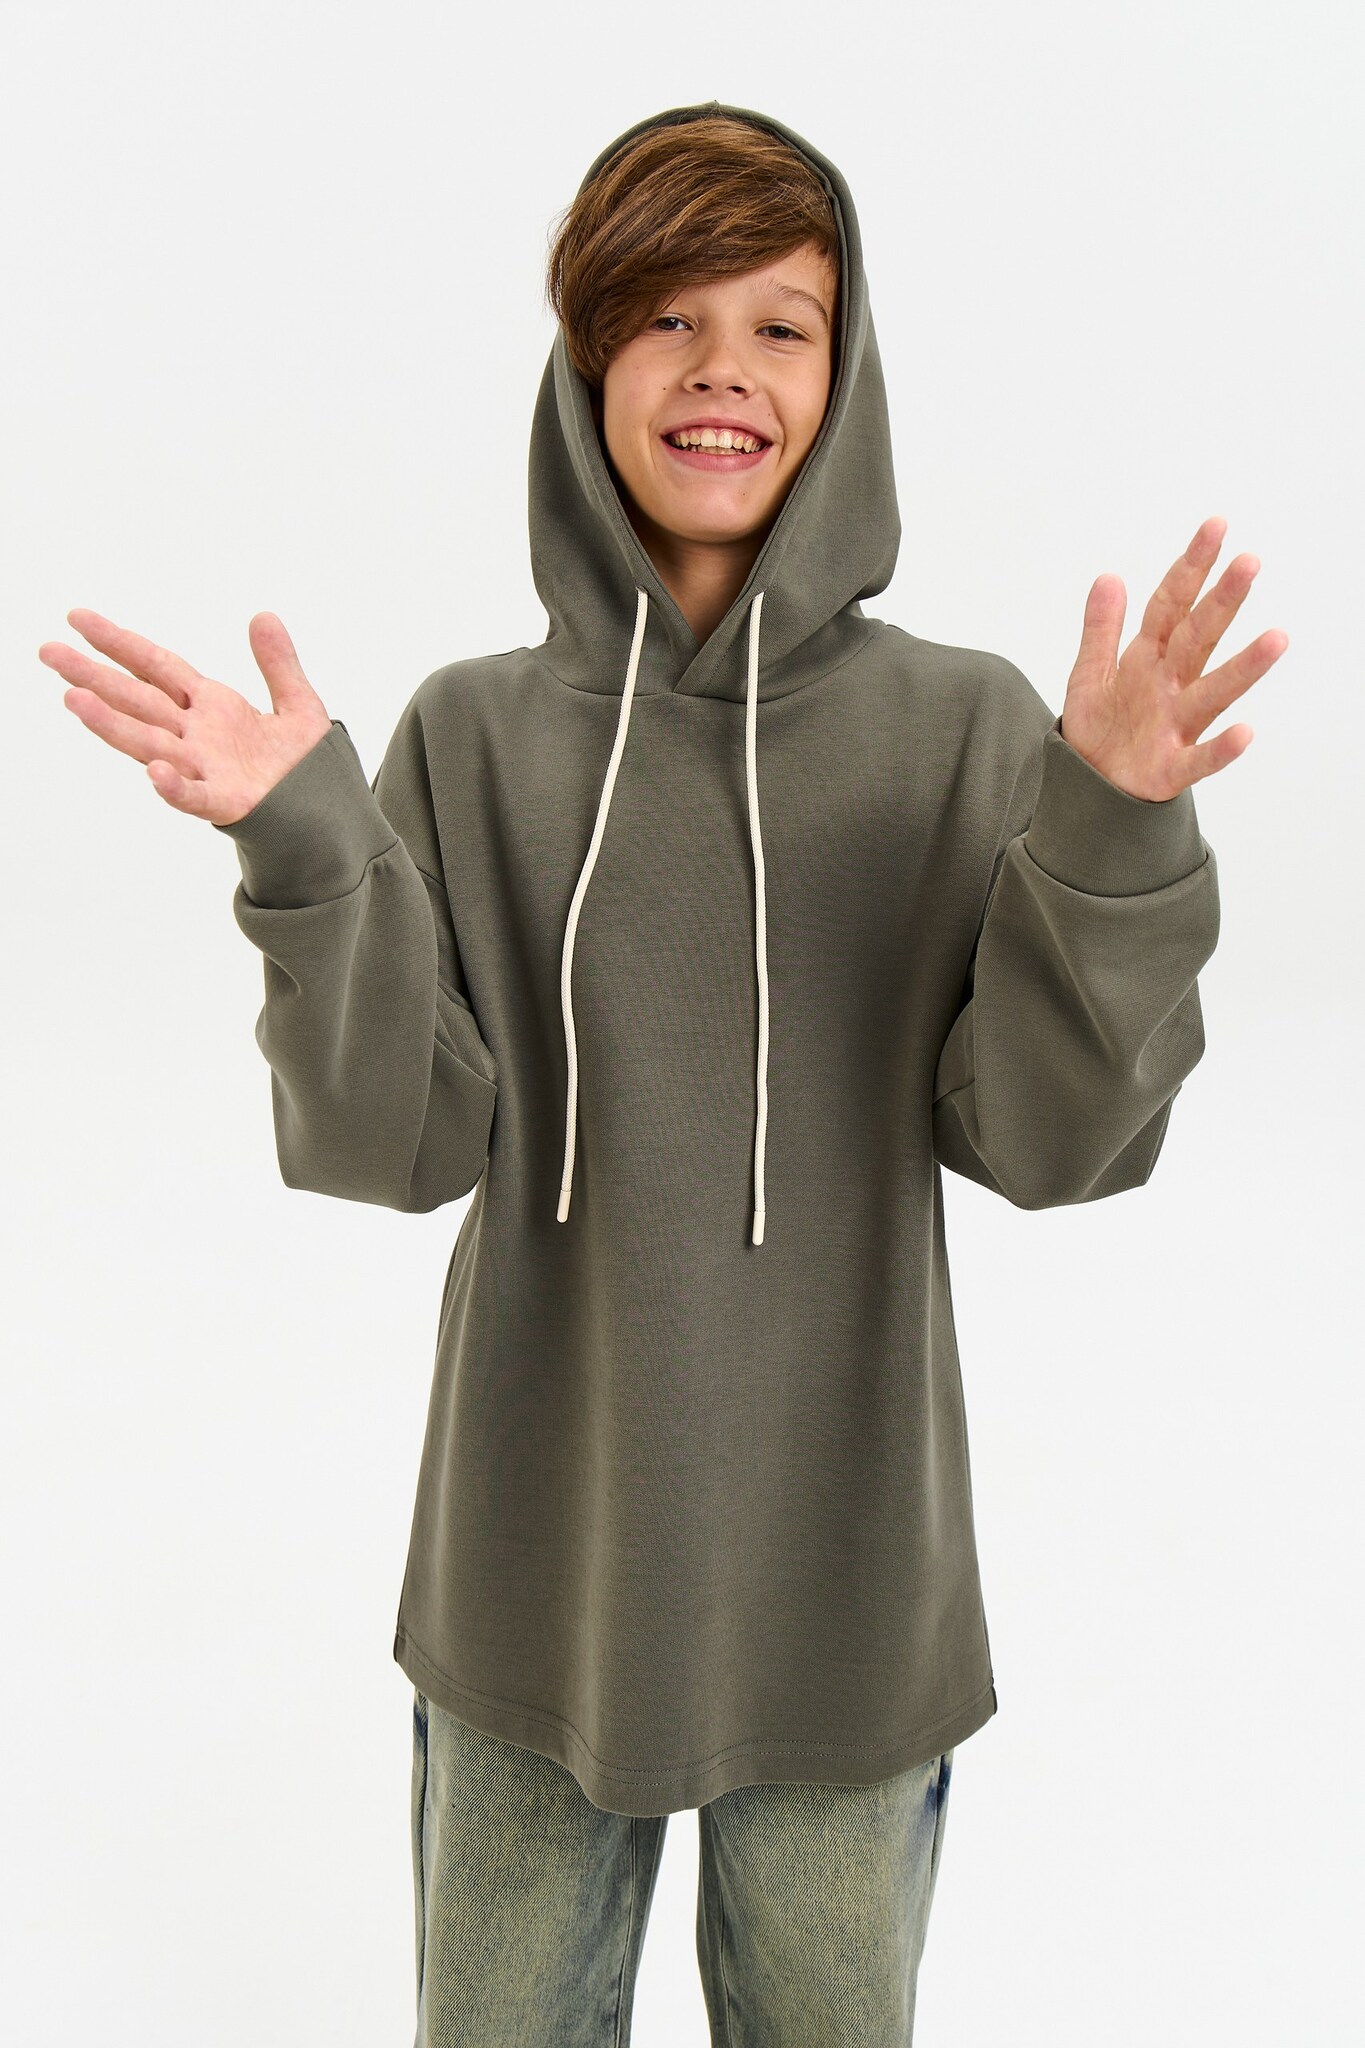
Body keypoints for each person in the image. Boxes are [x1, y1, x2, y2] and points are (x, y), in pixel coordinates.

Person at [40, 99, 1286, 2048]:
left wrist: (1114, 826)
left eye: (780, 325)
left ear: (844, 377)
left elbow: (1052, 1147)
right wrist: (304, 845)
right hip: (526, 1586)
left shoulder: (963, 730)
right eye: (664, 318)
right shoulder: (469, 736)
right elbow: (392, 1144)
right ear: (584, 362)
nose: (721, 371)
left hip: (848, 1592)